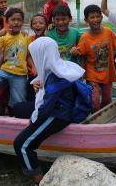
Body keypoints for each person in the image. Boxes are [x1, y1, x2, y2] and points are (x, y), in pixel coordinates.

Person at [13, 37, 85, 184]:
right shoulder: (59, 66)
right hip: (57, 107)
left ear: (42, 55)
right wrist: (36, 85)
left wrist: (33, 121)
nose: (34, 59)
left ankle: (40, 182)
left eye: (35, 56)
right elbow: (44, 87)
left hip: (58, 115)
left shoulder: (56, 78)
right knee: (18, 108)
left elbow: (45, 110)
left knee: (21, 145)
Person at [0, 8, 30, 116]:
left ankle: (15, 118)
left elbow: (28, 55)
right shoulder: (3, 37)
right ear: (7, 22)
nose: (16, 22)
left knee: (18, 103)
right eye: (13, 19)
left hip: (20, 74)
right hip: (5, 70)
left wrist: (34, 68)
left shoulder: (26, 37)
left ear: (22, 22)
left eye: (19, 20)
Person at [76, 5, 116, 112]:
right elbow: (79, 52)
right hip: (92, 76)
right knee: (94, 102)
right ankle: (95, 121)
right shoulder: (85, 38)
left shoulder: (108, 32)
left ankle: (103, 121)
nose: (96, 20)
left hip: (107, 74)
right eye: (92, 17)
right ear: (86, 20)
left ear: (101, 18)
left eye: (98, 17)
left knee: (107, 100)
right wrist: (74, 51)